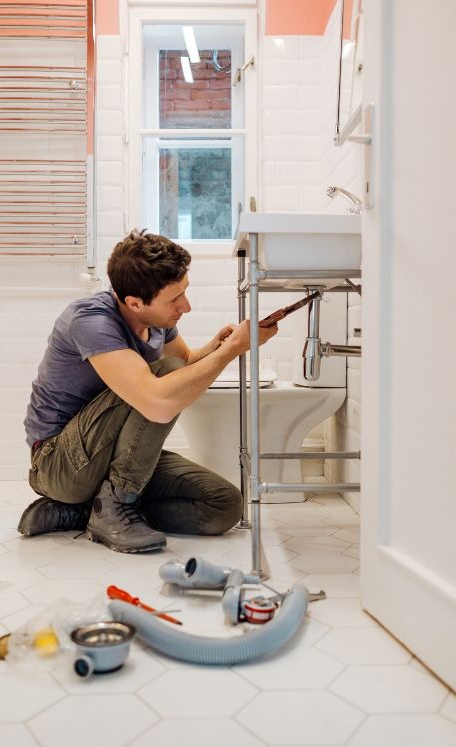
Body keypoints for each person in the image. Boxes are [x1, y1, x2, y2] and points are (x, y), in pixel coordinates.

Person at [17, 229, 278, 553]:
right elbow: (157, 402)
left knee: (223, 504)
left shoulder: (157, 319)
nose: (186, 306)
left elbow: (186, 363)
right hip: (58, 463)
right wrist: (231, 351)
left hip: (107, 454)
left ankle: (89, 511)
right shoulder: (91, 321)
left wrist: (221, 345)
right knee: (163, 379)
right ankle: (115, 505)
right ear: (134, 303)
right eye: (174, 299)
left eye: (184, 292)